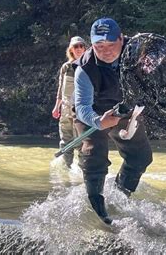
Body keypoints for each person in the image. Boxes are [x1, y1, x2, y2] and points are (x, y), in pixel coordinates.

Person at [73, 18, 153, 224]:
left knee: (141, 157)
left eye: (111, 44)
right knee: (93, 158)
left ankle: (119, 197)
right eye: (99, 46)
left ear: (121, 38)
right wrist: (99, 121)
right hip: (94, 112)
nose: (106, 50)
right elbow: (82, 107)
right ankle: (98, 211)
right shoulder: (84, 68)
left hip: (125, 109)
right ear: (92, 44)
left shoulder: (137, 50)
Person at [52, 36, 87, 168]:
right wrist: (57, 107)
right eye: (75, 46)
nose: (78, 49)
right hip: (66, 109)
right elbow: (61, 89)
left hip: (81, 110)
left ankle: (82, 170)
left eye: (81, 46)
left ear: (85, 48)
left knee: (81, 141)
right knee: (65, 140)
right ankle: (67, 169)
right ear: (71, 49)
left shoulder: (89, 66)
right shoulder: (66, 67)